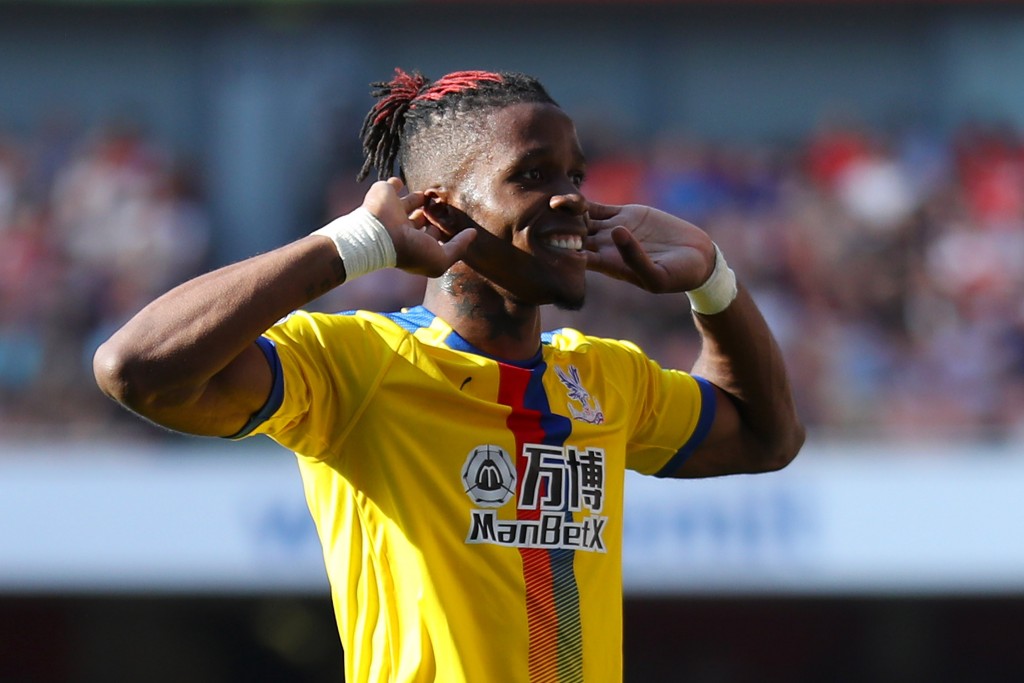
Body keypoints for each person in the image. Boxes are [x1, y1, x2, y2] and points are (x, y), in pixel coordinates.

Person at [94, 68, 805, 683]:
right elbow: (138, 369)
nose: (571, 199)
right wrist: (350, 245)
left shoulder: (604, 377)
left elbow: (765, 436)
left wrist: (712, 280)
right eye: (532, 174)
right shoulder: (356, 365)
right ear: (436, 209)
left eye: (575, 175)